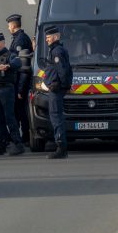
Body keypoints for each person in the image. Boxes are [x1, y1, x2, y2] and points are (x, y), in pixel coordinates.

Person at [0, 34, 25, 155]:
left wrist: (8, 66)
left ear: (3, 43)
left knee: (9, 117)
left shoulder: (10, 55)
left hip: (7, 89)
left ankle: (18, 144)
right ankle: (0, 144)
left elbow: (18, 63)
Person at [41, 25, 73, 159]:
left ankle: (61, 147)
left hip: (56, 89)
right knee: (56, 116)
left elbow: (63, 71)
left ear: (55, 37)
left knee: (56, 117)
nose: (47, 40)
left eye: (48, 37)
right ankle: (60, 145)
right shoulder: (57, 50)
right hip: (57, 88)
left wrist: (62, 85)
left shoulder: (56, 52)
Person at [7, 14, 34, 138]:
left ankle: (25, 137)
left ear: (13, 26)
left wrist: (20, 89)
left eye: (9, 26)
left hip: (21, 82)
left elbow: (22, 68)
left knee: (21, 111)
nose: (8, 28)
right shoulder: (19, 38)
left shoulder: (20, 40)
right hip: (19, 81)